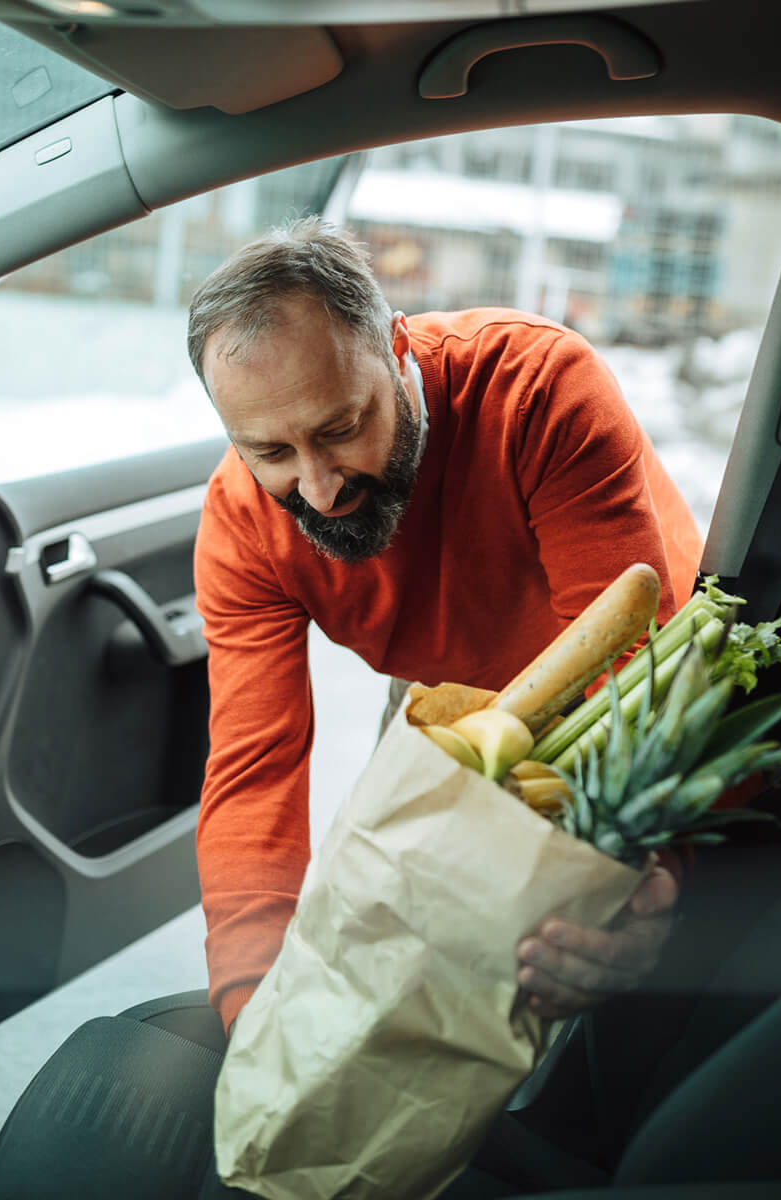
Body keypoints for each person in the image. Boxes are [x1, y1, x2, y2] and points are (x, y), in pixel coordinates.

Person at [189, 217, 705, 1035]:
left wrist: (641, 891)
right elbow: (255, 771)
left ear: (397, 352)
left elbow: (626, 673)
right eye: (272, 452)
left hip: (640, 676)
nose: (318, 490)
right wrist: (249, 1006)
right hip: (454, 688)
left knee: (583, 958)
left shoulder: (538, 387)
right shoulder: (243, 524)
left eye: (340, 429)